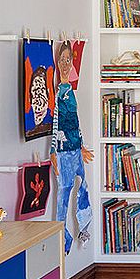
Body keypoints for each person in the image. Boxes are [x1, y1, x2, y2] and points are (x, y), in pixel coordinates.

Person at [51, 41, 92, 253]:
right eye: (62, 60)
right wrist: (53, 152)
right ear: (57, 63)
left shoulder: (69, 89)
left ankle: (83, 228)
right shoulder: (60, 92)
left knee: (82, 188)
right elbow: (56, 122)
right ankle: (63, 238)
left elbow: (74, 120)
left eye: (68, 60)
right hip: (63, 151)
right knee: (63, 198)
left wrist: (82, 145)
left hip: (75, 149)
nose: (65, 64)